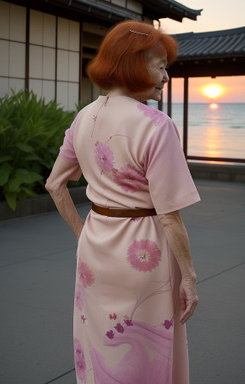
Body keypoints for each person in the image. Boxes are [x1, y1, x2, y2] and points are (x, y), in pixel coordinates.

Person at [46, 19, 200, 384]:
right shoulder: (156, 125)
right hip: (143, 254)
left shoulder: (84, 117)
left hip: (95, 247)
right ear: (134, 64)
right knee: (149, 346)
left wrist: (82, 233)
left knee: (99, 338)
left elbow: (55, 184)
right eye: (160, 66)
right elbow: (169, 217)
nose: (165, 77)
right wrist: (190, 277)